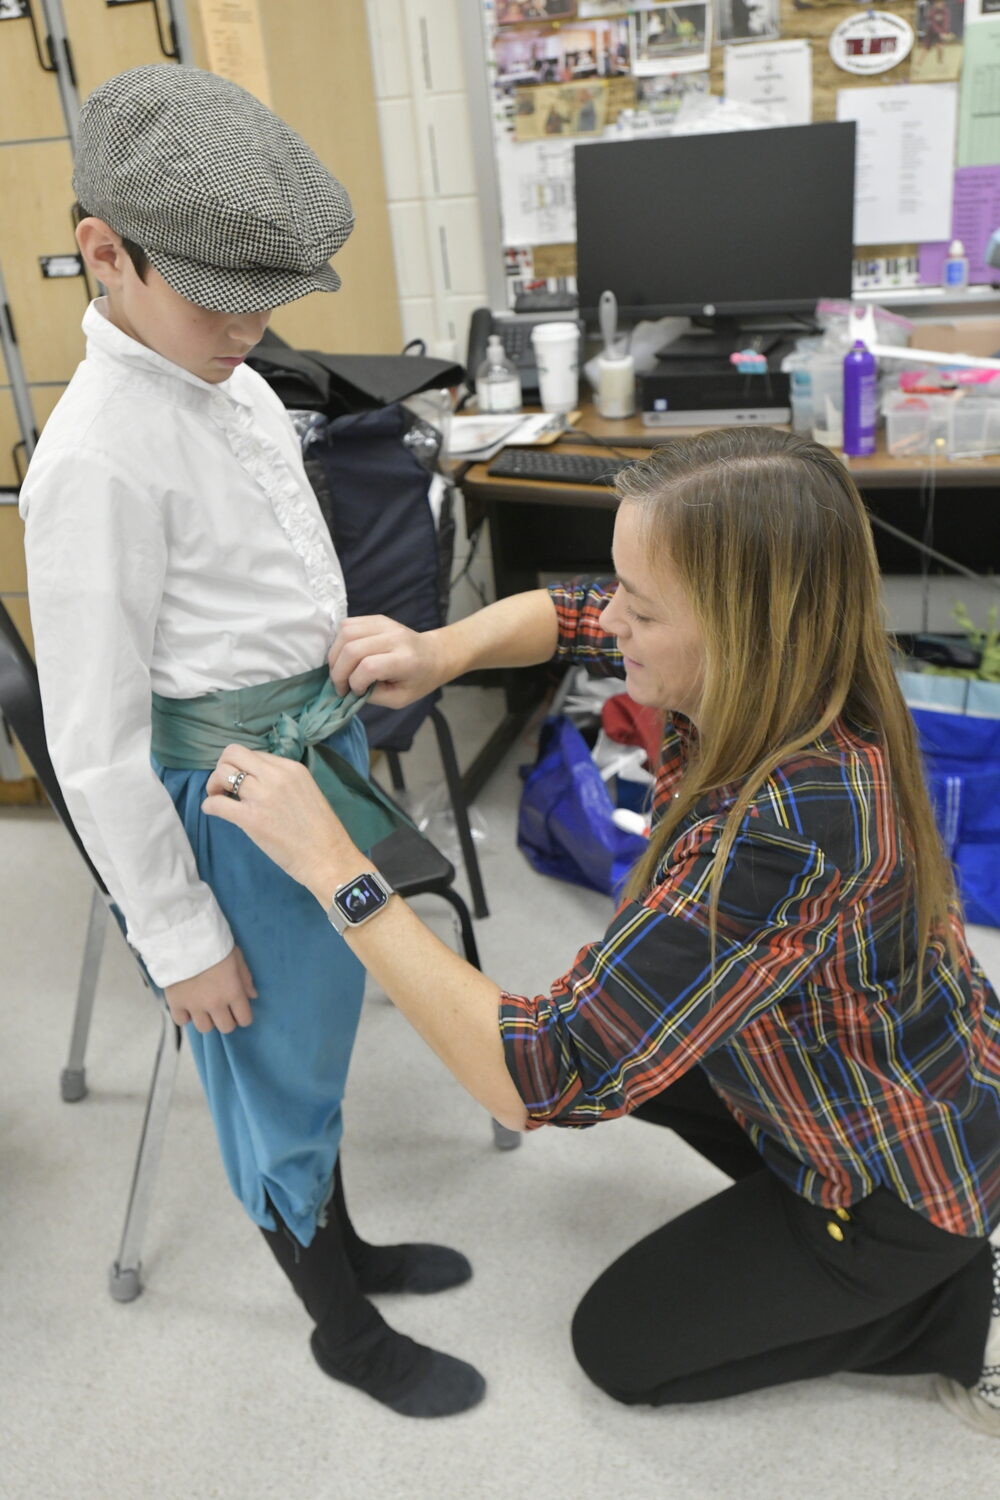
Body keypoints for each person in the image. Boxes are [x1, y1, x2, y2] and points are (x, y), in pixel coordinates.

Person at [203, 427, 1000, 1434]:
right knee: (651, 1069)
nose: (609, 619)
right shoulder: (797, 669)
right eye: (620, 587)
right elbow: (573, 614)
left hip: (900, 1179)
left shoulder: (788, 829)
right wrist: (438, 649)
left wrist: (336, 869)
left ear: (741, 628)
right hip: (926, 1070)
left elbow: (539, 1071)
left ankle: (943, 1310)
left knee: (618, 1349)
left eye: (643, 606)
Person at [19, 64, 483, 1420]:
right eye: (223, 291)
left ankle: (351, 1243)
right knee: (267, 1060)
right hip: (214, 803)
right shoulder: (96, 461)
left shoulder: (225, 376)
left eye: (268, 292)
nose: (256, 322)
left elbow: (255, 568)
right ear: (106, 253)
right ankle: (338, 1322)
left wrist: (330, 636)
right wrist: (181, 937)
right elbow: (93, 744)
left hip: (298, 762)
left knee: (322, 1031)